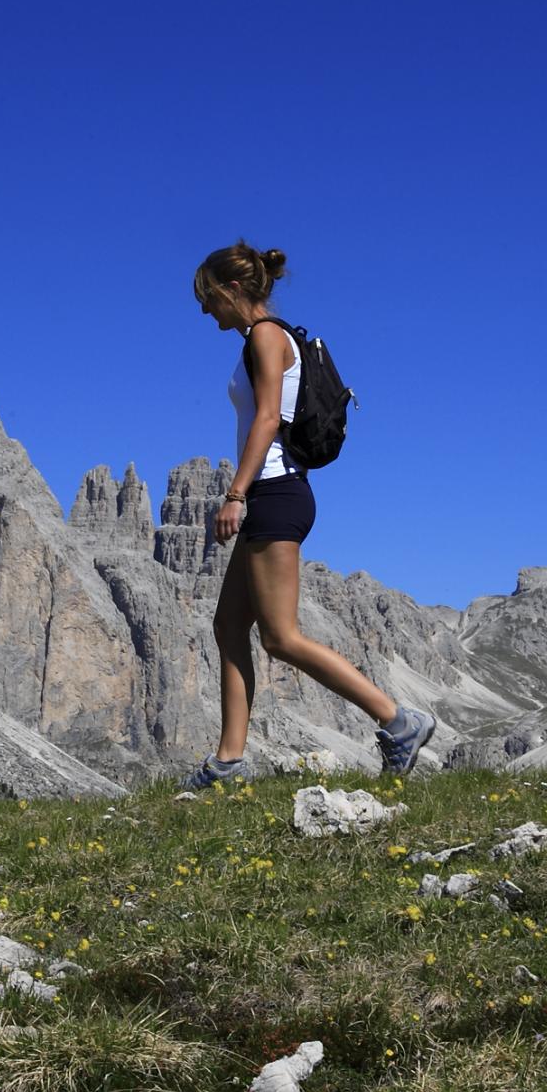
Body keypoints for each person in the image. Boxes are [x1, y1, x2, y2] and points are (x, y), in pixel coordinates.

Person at [183, 241, 438, 789]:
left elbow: (270, 417)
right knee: (228, 626)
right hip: (271, 494)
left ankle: (399, 721)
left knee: (280, 637)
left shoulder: (267, 337)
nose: (207, 311)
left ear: (232, 290)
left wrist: (235, 493)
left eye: (209, 299)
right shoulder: (269, 337)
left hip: (273, 493)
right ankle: (229, 762)